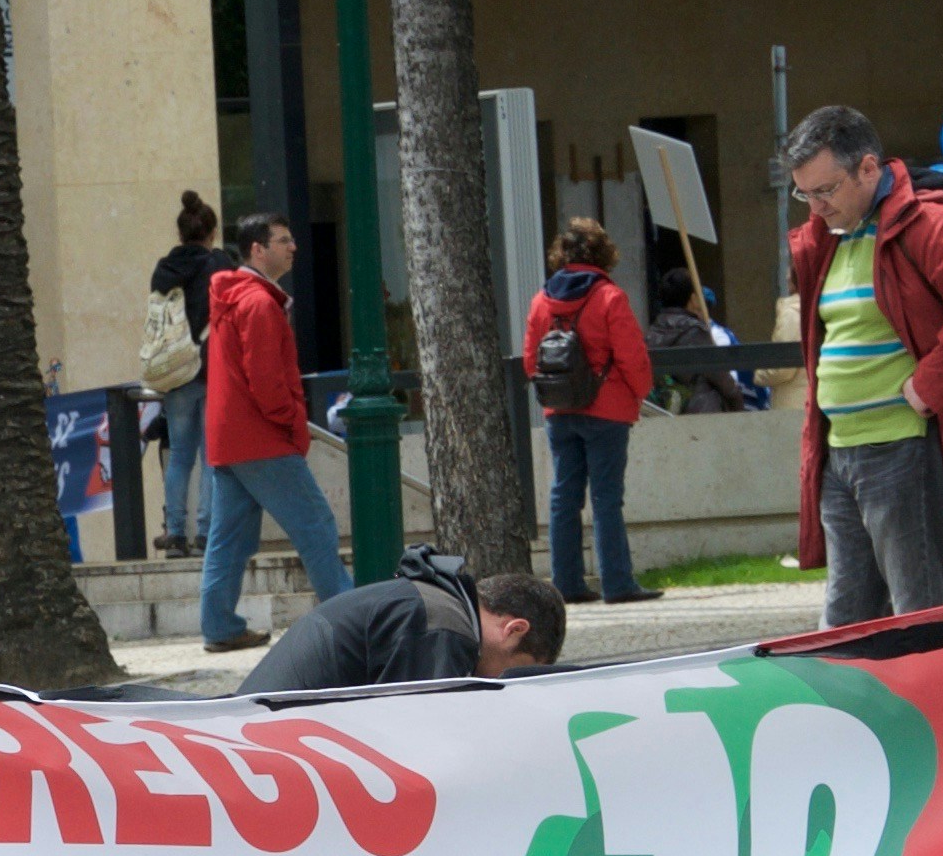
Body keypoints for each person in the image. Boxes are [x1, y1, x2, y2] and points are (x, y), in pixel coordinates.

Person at [783, 104, 943, 625]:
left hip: (899, 447)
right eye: (804, 194)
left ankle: (933, 684)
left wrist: (930, 388)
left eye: (825, 190)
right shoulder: (829, 235)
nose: (816, 207)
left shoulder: (923, 221)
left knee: (923, 617)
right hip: (838, 452)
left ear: (868, 168)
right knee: (846, 623)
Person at [194, 217, 352, 652]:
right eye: (283, 240)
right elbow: (267, 382)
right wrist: (292, 423)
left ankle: (219, 626)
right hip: (262, 438)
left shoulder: (232, 297)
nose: (293, 246)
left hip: (229, 438)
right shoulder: (259, 304)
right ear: (258, 250)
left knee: (229, 539)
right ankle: (350, 619)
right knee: (316, 525)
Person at [523, 218, 655, 605]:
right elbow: (632, 356)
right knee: (606, 498)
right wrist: (639, 394)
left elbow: (531, 360)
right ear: (603, 254)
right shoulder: (610, 297)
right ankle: (617, 583)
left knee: (563, 496)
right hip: (606, 409)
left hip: (560, 409)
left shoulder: (541, 300)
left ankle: (567, 584)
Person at [239, 561, 566, 693]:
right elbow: (422, 739)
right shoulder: (444, 626)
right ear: (514, 629)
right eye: (512, 670)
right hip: (275, 745)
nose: (499, 681)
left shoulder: (432, 601)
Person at [144, 191, 234, 556]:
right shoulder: (220, 264)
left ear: (181, 234)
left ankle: (176, 535)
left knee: (180, 455)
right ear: (212, 232)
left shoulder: (164, 269)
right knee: (212, 455)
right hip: (213, 368)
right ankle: (206, 534)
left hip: (177, 369)